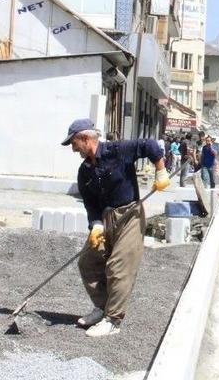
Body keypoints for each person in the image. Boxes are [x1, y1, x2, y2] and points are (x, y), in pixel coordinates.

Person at [61, 118, 170, 337]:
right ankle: (102, 308)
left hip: (130, 215)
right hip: (106, 218)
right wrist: (96, 226)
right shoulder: (84, 172)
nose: (73, 149)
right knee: (87, 262)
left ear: (84, 138)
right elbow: (90, 203)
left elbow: (151, 146)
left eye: (74, 143)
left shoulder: (117, 150)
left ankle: (113, 320)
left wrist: (161, 171)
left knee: (118, 266)